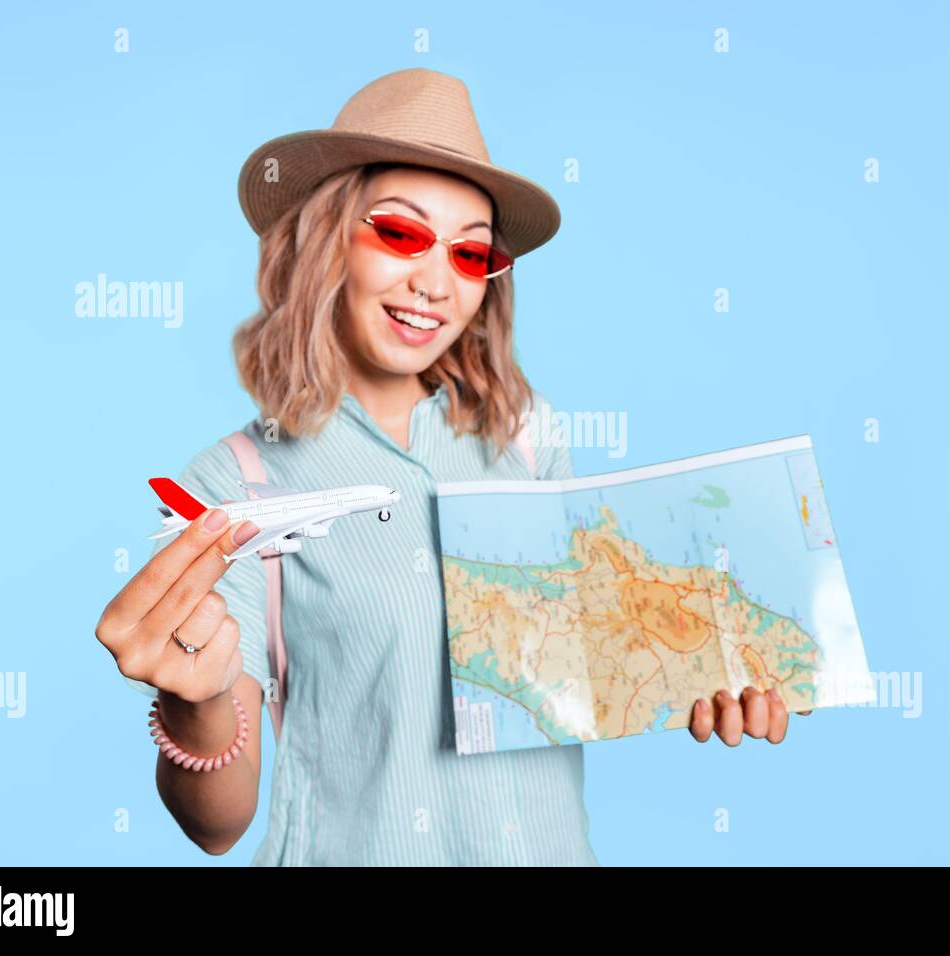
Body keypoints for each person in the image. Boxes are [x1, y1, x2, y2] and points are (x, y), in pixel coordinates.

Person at [93, 68, 809, 866]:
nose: (434, 282)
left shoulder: (531, 440)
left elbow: (589, 668)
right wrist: (194, 702)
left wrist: (706, 674)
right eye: (400, 234)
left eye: (470, 254)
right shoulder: (235, 485)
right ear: (324, 237)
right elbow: (216, 825)